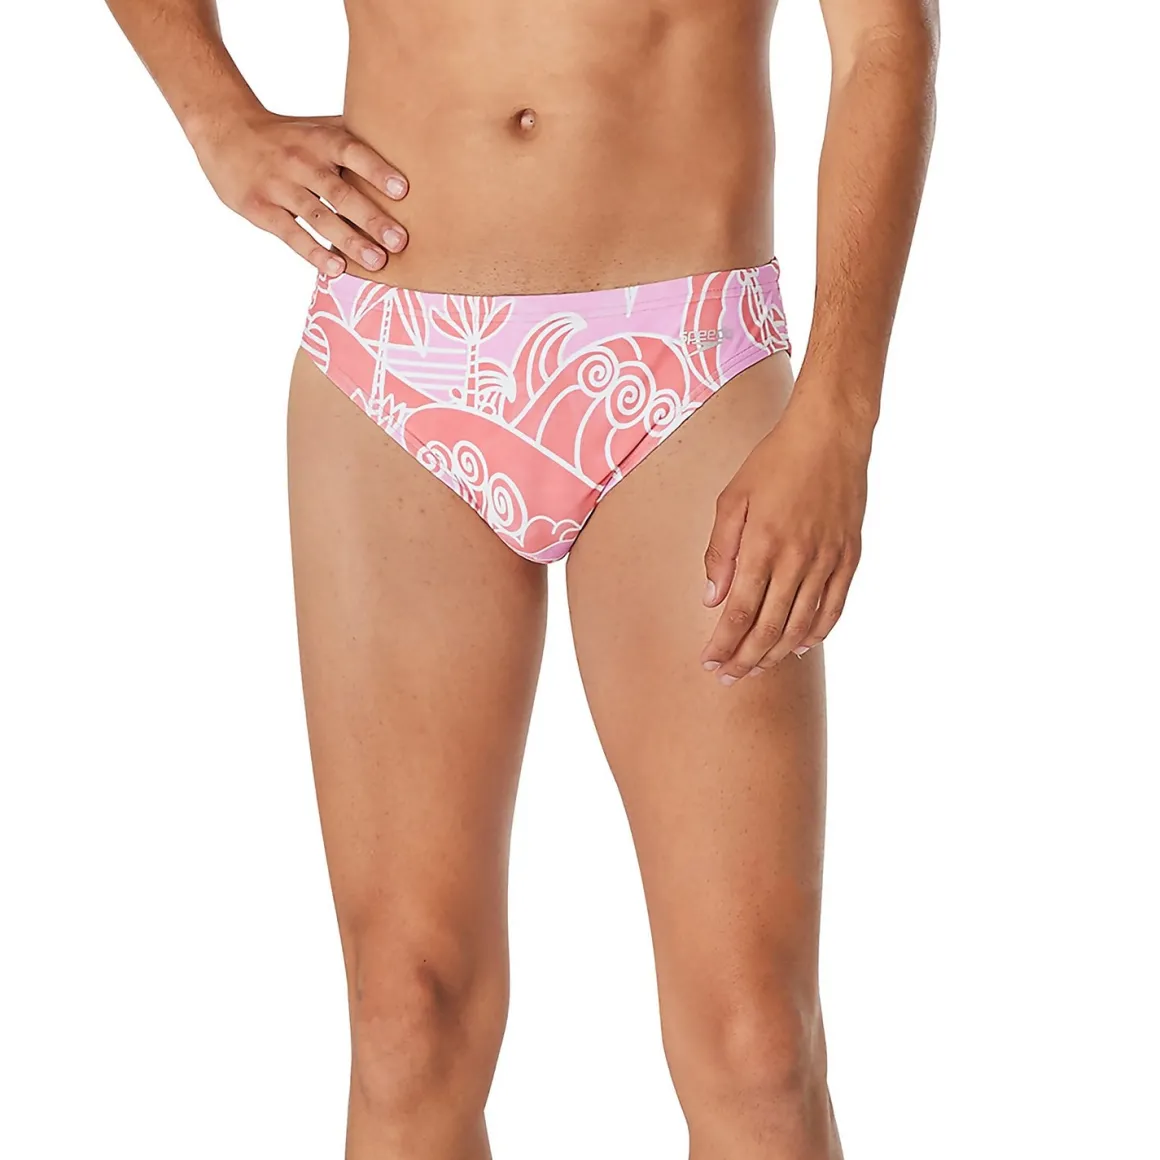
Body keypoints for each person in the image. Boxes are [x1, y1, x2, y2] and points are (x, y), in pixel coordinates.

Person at [106, 0, 937, 1155]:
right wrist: (216, 117)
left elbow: (883, 42)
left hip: (686, 355)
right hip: (395, 353)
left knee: (752, 1039)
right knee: (405, 1018)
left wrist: (837, 418)